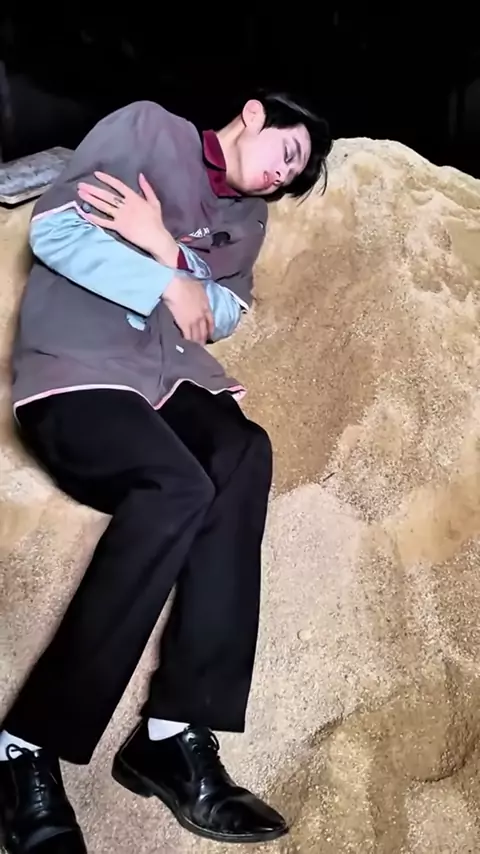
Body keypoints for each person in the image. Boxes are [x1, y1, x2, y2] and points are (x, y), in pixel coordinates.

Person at [0, 90, 331, 851]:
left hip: (170, 378)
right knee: (175, 486)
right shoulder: (148, 130)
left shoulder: (249, 219)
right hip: (80, 371)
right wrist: (168, 283)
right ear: (255, 114)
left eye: (290, 178)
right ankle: (24, 748)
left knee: (244, 453)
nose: (279, 177)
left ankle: (172, 735)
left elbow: (223, 315)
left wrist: (164, 248)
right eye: (286, 154)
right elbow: (57, 230)